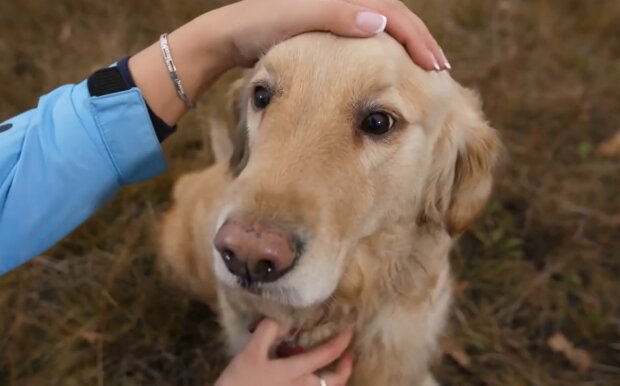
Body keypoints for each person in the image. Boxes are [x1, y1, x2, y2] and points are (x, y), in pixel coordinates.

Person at [0, 0, 447, 384]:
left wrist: (216, 39)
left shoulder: (451, 164)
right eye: (265, 97)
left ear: (454, 168)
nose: (248, 242)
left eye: (377, 123)